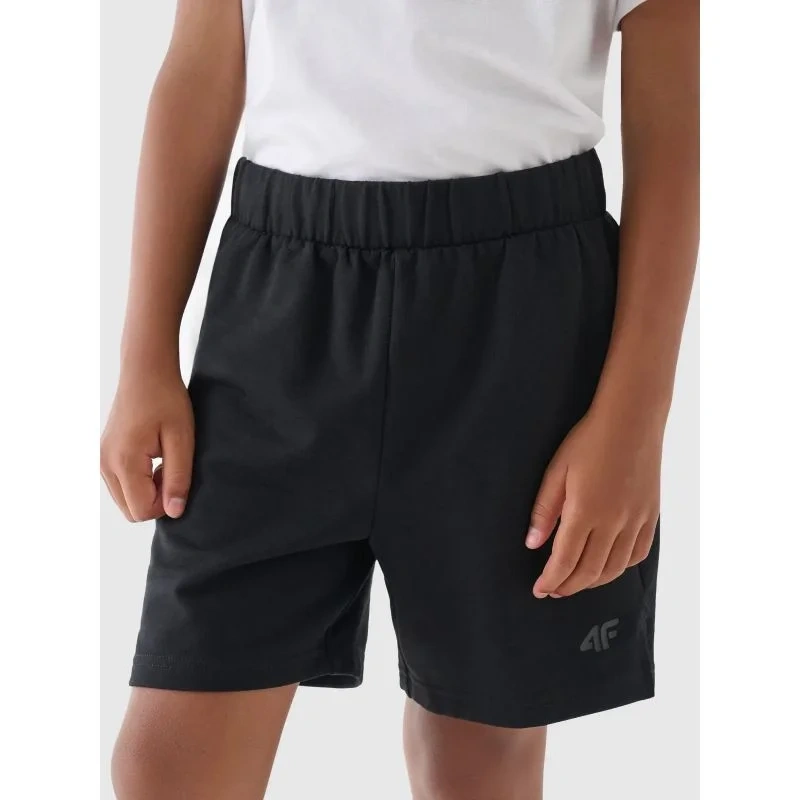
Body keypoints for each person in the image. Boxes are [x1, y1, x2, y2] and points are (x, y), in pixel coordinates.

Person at [101, 0, 699, 797]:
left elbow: (674, 139)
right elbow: (199, 71)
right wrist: (145, 355)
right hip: (279, 315)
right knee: (165, 763)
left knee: (480, 758)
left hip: (522, 318)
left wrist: (635, 420)